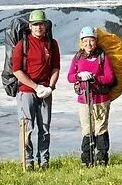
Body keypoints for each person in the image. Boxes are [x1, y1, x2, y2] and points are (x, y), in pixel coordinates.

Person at [10, 9, 59, 170]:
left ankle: (44, 161)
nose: (39, 27)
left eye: (41, 24)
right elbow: (17, 70)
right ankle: (28, 161)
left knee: (44, 128)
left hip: (45, 91)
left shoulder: (52, 44)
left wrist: (50, 87)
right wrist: (35, 86)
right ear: (30, 26)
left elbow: (55, 67)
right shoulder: (22, 45)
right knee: (27, 128)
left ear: (46, 25)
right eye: (35, 24)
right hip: (26, 91)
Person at [69, 27, 116, 167]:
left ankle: (102, 157)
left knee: (101, 128)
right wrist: (79, 76)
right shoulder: (77, 57)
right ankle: (87, 158)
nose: (89, 44)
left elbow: (110, 77)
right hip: (84, 100)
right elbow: (70, 76)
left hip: (101, 99)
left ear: (96, 41)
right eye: (86, 41)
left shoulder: (102, 57)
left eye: (91, 41)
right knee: (87, 129)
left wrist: (94, 78)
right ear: (81, 42)